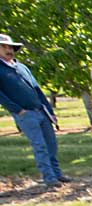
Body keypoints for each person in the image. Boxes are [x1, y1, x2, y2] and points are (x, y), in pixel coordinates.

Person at [0, 33, 68, 187]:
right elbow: (1, 96)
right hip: (25, 114)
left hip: (40, 110)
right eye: (3, 46)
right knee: (40, 146)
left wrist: (49, 111)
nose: (8, 49)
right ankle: (49, 178)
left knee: (51, 144)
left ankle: (57, 174)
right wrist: (18, 110)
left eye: (9, 46)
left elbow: (37, 90)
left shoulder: (22, 67)